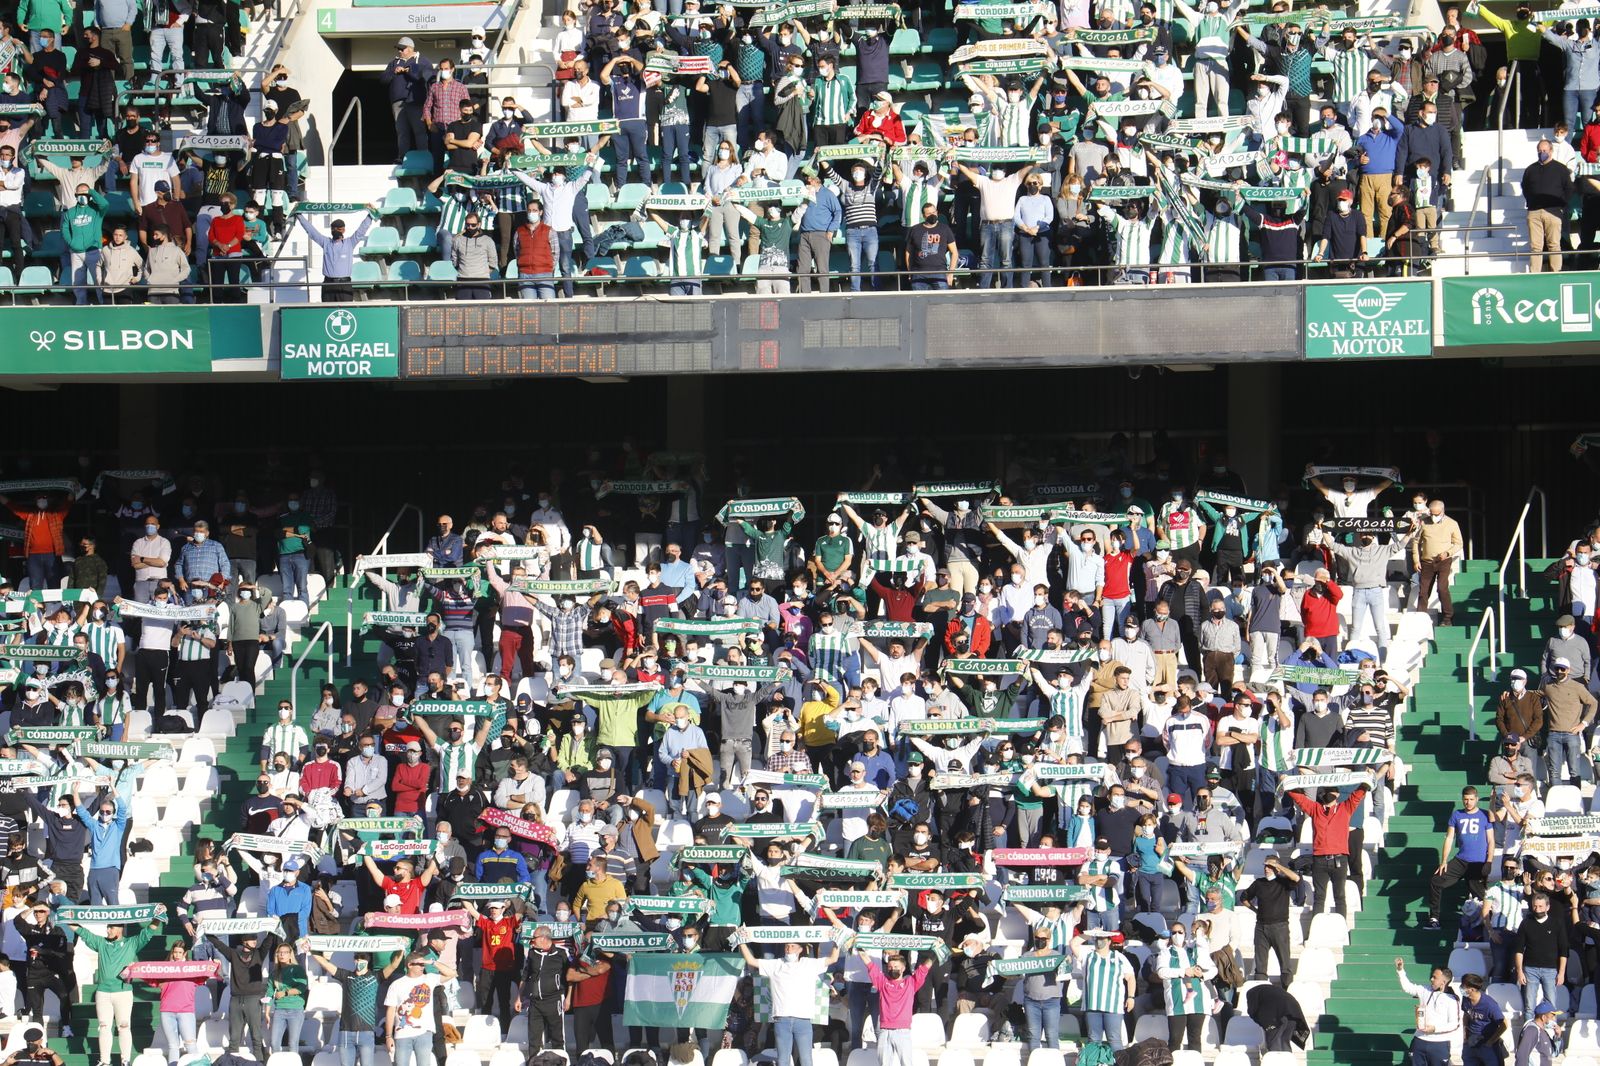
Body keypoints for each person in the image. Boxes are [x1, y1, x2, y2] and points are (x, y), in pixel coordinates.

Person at [737, 932, 842, 1066]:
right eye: (787, 946)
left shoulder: (809, 963)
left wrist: (837, 941)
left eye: (793, 946)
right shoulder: (775, 964)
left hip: (803, 1020)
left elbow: (833, 958)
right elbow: (751, 961)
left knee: (806, 1060)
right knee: (783, 1060)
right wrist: (741, 942)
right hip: (782, 1019)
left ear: (800, 949)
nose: (789, 949)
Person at [299, 208, 377, 301]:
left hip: (344, 284)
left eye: (339, 229)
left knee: (345, 310)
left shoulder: (350, 242)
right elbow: (311, 231)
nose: (336, 231)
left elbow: (361, 230)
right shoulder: (325, 242)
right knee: (328, 312)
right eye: (333, 229)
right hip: (328, 284)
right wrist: (299, 215)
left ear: (343, 230)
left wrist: (370, 215)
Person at [1396, 958, 1460, 1066]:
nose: (1431, 979)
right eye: (1432, 976)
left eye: (1435, 977)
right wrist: (1400, 970)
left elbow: (1454, 1024)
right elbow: (1407, 987)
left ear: (1443, 982)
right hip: (1419, 1040)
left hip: (1439, 1044)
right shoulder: (1425, 990)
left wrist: (1435, 1029)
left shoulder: (1452, 999)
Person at [1523, 139, 1574, 273]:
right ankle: (1535, 274)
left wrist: (1561, 205)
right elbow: (1525, 187)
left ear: (1551, 151)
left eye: (1544, 150)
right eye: (1539, 151)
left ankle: (1556, 273)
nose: (1542, 153)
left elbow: (1569, 189)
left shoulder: (1561, 169)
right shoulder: (1530, 169)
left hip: (1554, 212)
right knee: (1535, 246)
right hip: (1534, 212)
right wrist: (1531, 202)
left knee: (1554, 245)